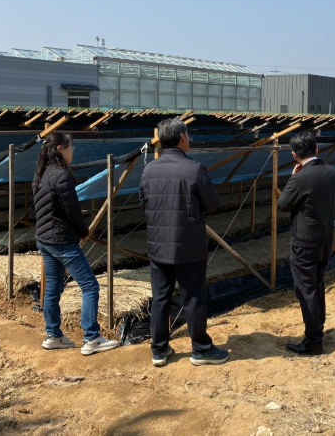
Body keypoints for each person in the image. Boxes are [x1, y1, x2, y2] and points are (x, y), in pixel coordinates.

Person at [139, 118, 228, 367]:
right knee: (193, 298)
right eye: (188, 135)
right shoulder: (194, 169)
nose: (189, 139)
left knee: (161, 298)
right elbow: (212, 203)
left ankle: (159, 349)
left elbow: (143, 203)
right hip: (189, 246)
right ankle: (201, 348)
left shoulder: (149, 170)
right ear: (181, 138)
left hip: (158, 246)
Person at [33, 132, 119, 355]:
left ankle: (54, 335)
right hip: (61, 240)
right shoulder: (61, 175)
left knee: (52, 288)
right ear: (60, 148)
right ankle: (92, 338)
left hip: (45, 240)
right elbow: (73, 211)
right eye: (71, 147)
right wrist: (84, 231)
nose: (73, 150)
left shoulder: (42, 173)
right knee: (90, 286)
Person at [277, 131, 335, 355]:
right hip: (325, 241)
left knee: (306, 290)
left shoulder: (300, 178)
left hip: (305, 243)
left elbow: (283, 204)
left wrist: (292, 178)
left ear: (294, 156)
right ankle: (318, 327)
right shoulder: (334, 173)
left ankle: (313, 340)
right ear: (317, 149)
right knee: (317, 285)